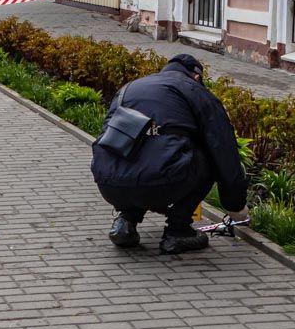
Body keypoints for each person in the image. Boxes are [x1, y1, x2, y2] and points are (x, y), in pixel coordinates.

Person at [92, 54, 249, 255]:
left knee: (139, 152)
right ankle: (178, 230)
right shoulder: (195, 91)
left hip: (108, 182)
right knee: (208, 157)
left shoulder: (130, 87)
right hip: (161, 183)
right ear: (197, 77)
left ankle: (125, 221)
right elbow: (225, 152)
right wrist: (235, 206)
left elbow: (107, 137)